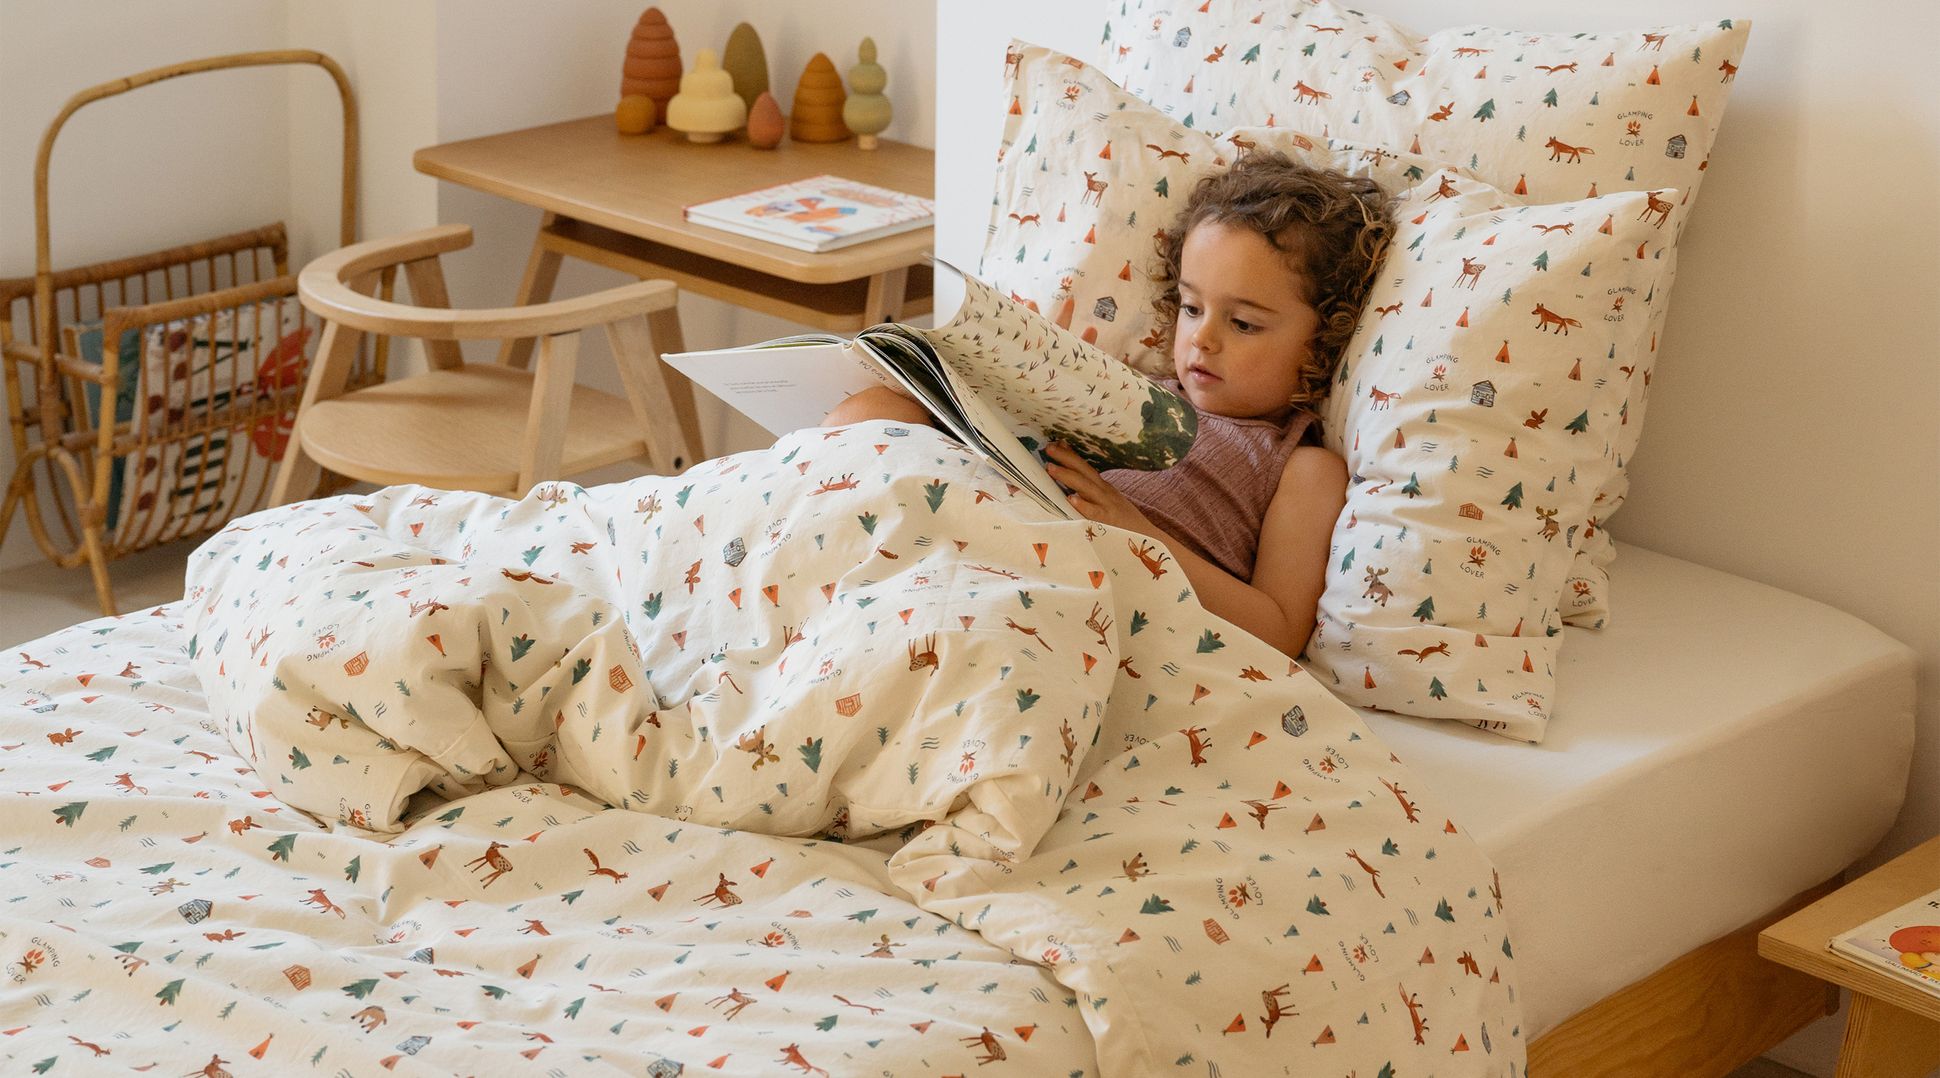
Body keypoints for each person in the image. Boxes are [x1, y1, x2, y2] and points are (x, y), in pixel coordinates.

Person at [824, 152, 1394, 658]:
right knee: (875, 409)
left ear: (1322, 341)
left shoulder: (1299, 464)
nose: (1202, 338)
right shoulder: (1129, 392)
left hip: (1080, 589)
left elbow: (1277, 632)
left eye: (1243, 323)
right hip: (998, 528)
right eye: (1192, 308)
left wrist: (1138, 533)